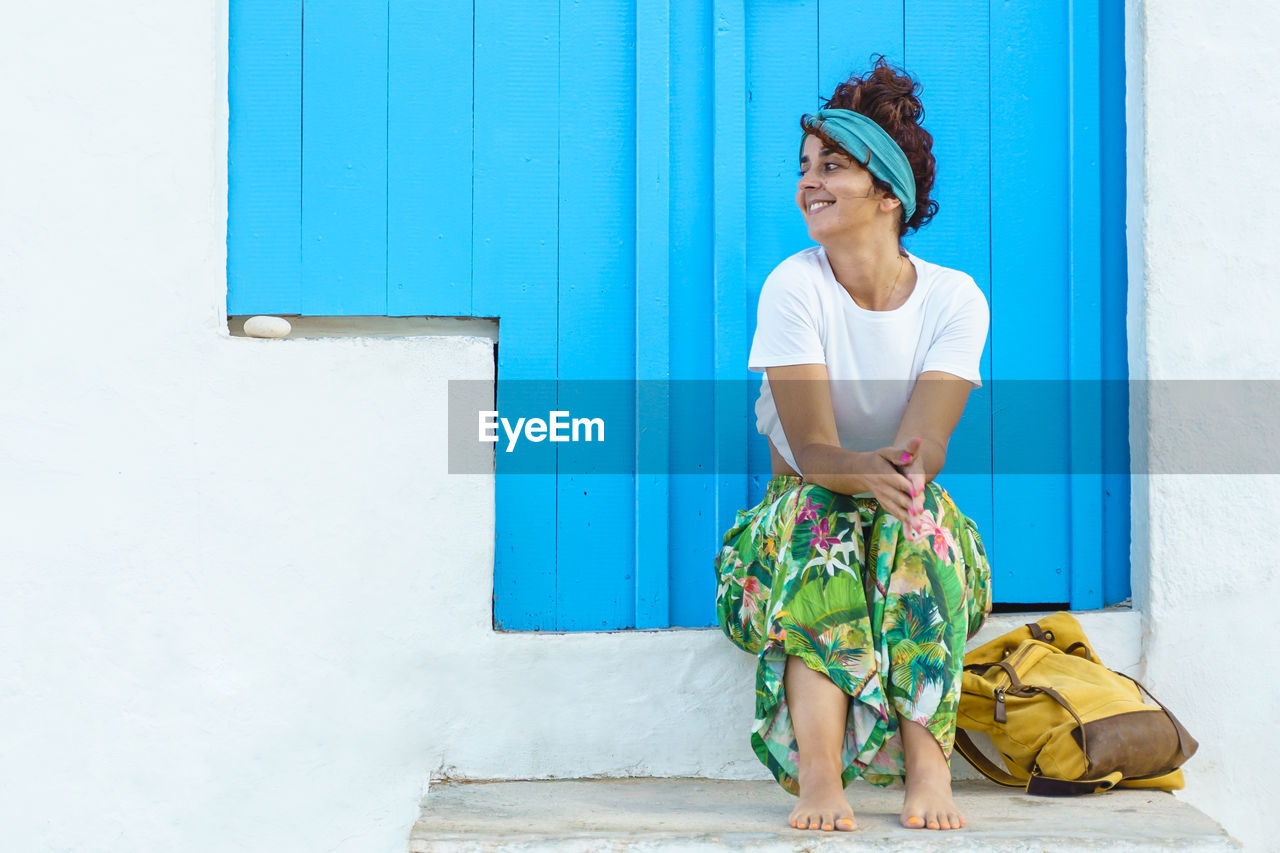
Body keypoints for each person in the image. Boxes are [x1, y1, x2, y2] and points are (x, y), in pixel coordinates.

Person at [712, 56, 993, 834]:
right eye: (805, 167)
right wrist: (868, 480)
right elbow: (811, 449)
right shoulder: (793, 287)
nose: (810, 183)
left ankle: (929, 763)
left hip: (905, 527)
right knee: (823, 518)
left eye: (833, 167)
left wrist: (898, 482)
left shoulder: (953, 297)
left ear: (888, 192)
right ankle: (820, 771)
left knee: (916, 514)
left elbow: (924, 443)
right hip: (785, 547)